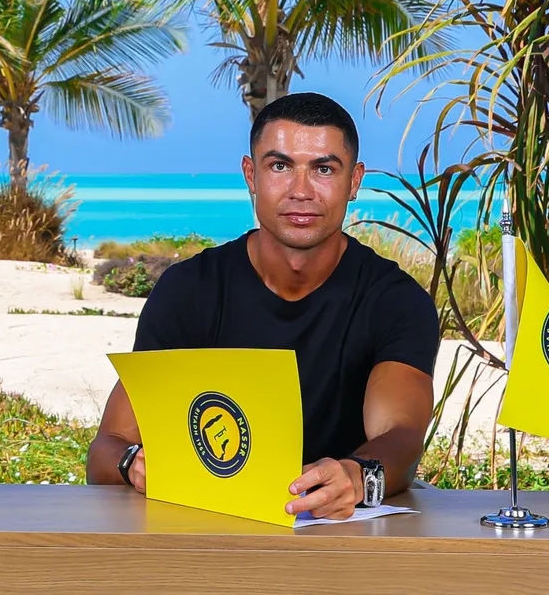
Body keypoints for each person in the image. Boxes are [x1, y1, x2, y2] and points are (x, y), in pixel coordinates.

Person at [86, 93, 439, 519]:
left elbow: (400, 435)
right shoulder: (189, 290)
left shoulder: (396, 301)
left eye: (324, 169)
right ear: (251, 175)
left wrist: (356, 474)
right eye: (280, 167)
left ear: (354, 181)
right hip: (209, 526)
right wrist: (133, 464)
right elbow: (107, 448)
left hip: (341, 529)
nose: (301, 192)